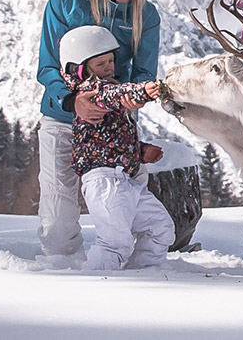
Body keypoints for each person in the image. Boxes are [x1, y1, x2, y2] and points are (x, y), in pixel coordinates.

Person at [36, 0, 161, 257]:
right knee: (58, 226)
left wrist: (136, 96)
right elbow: (48, 66)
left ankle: (139, 280)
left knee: (132, 212)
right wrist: (73, 101)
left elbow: (144, 72)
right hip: (63, 119)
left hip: (113, 128)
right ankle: (63, 279)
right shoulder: (66, 1)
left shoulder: (145, 15)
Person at [59, 25, 174, 270]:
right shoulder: (91, 92)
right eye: (100, 64)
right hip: (103, 181)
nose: (109, 67)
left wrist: (140, 151)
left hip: (125, 179)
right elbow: (113, 94)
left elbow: (110, 138)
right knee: (115, 243)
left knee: (160, 228)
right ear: (80, 69)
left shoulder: (107, 88)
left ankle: (143, 276)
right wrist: (141, 90)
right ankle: (100, 288)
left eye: (111, 60)